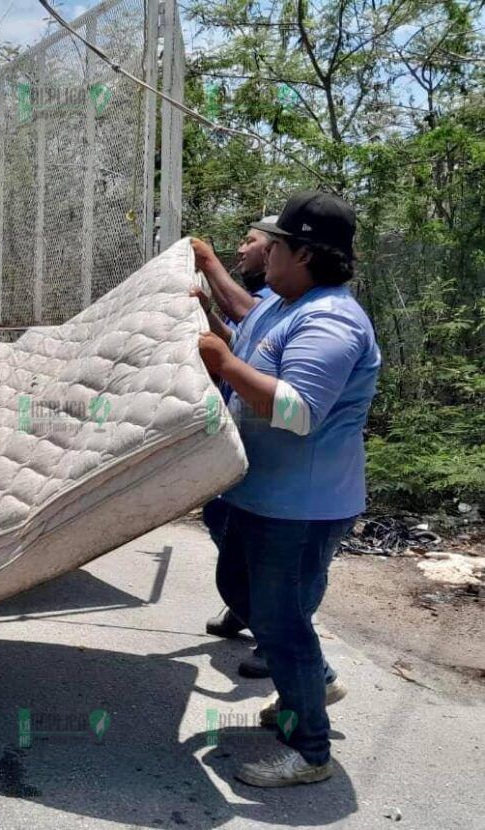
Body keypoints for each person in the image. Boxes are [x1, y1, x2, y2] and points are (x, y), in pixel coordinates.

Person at [194, 191, 381, 787]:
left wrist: (223, 363)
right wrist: (215, 331)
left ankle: (309, 752)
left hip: (301, 506)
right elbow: (250, 348)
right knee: (244, 594)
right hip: (260, 492)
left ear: (302, 254)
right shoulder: (282, 303)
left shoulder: (330, 320)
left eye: (273, 244)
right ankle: (311, 685)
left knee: (281, 623)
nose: (264, 252)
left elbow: (300, 413)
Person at [192, 219, 279, 680]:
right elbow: (235, 341)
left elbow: (244, 318)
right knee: (221, 517)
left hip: (271, 455)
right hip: (240, 436)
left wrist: (206, 261)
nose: (241, 250)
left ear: (282, 252)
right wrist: (206, 311)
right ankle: (245, 607)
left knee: (255, 545)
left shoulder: (281, 304)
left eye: (252, 242)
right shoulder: (268, 304)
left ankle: (275, 636)